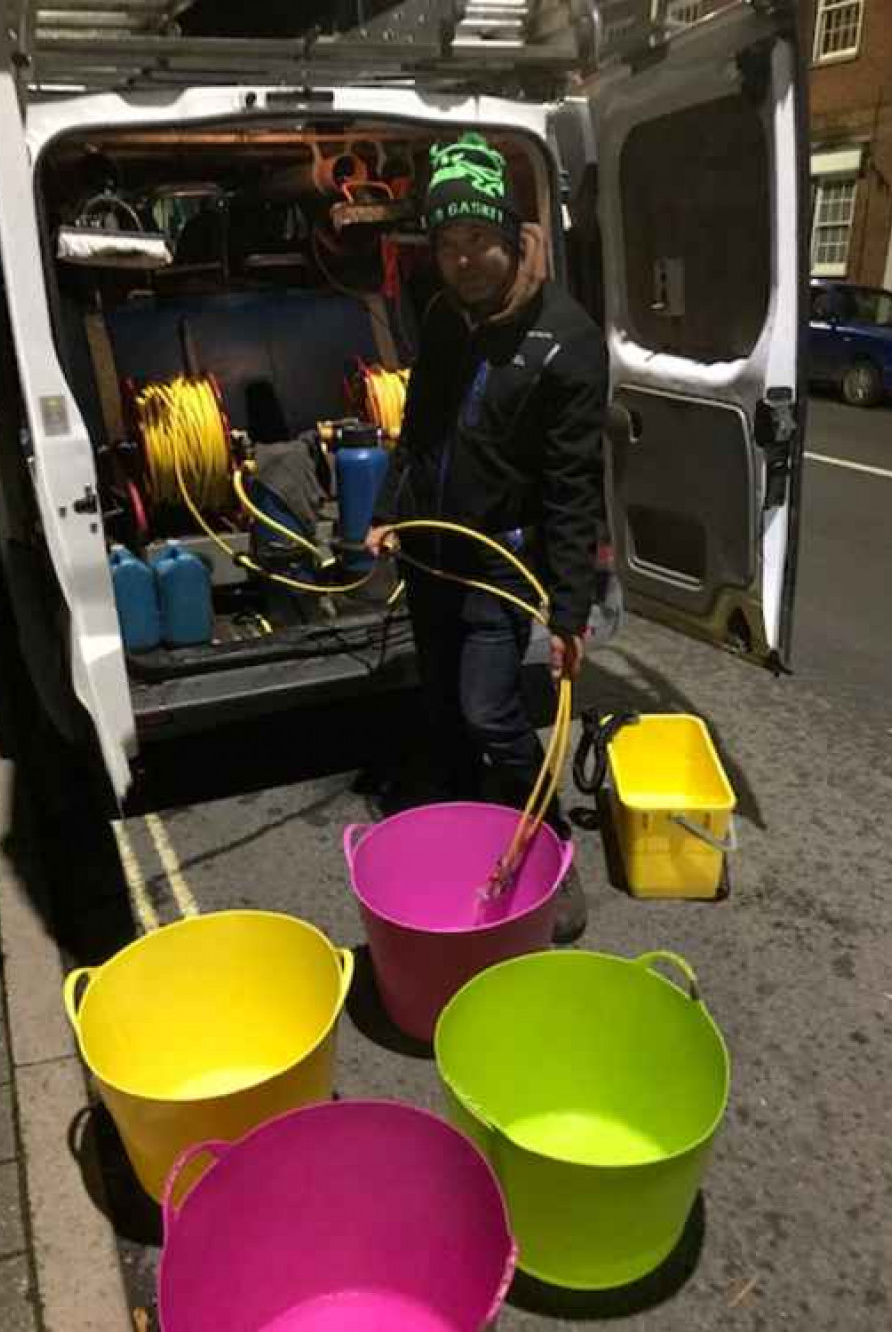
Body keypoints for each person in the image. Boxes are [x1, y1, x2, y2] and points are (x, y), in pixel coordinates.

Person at [365, 131, 609, 943]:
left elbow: (575, 487)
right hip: (430, 550)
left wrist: (569, 613)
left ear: (511, 236)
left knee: (489, 710)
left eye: (477, 240)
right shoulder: (443, 316)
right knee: (441, 703)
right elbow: (423, 427)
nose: (462, 259)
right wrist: (387, 509)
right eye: (447, 243)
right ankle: (464, 827)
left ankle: (550, 846)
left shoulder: (566, 340)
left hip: (499, 564)